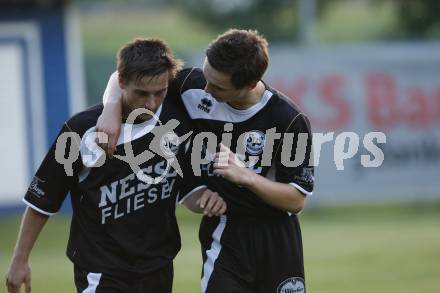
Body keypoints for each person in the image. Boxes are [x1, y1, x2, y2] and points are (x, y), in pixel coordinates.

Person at [98, 29, 314, 293]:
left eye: (218, 86)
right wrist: (110, 108)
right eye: (206, 75)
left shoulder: (288, 119)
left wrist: (246, 176)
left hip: (278, 238)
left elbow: (296, 199)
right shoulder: (193, 84)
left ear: (249, 84)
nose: (206, 89)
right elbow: (121, 77)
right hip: (225, 232)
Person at [5, 38, 226, 293]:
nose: (151, 103)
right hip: (101, 269)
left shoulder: (179, 114)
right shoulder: (82, 131)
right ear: (122, 82)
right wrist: (20, 259)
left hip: (159, 266)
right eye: (142, 93)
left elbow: (185, 181)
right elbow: (42, 201)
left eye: (159, 93)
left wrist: (205, 197)